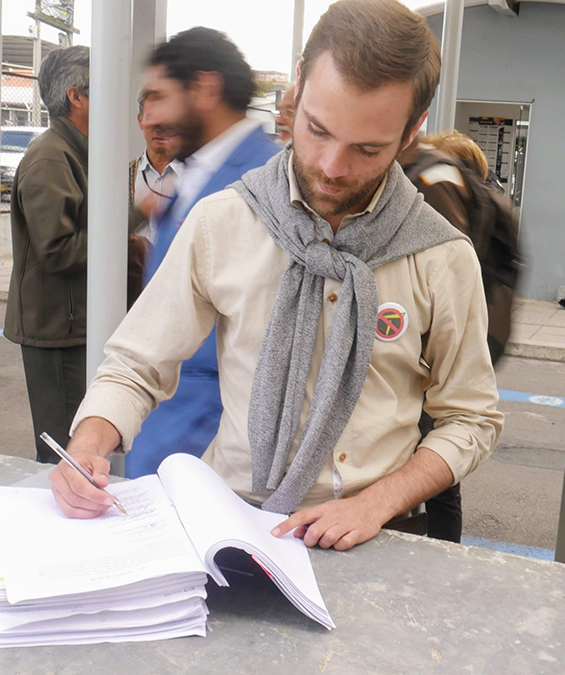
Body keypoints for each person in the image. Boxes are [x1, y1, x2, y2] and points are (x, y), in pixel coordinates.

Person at [50, 0, 503, 553]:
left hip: (379, 533)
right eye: (317, 130)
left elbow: (471, 418)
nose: (333, 167)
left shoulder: (441, 255)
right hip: (232, 520)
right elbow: (137, 364)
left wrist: (375, 503)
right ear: (298, 89)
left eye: (367, 149)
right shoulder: (223, 220)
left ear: (412, 131)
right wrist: (89, 443)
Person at [125, 27, 281, 478]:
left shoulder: (261, 182)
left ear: (205, 89)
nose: (150, 115)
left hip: (205, 444)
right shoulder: (201, 172)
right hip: (172, 431)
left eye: (158, 96)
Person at [399, 129, 522, 542]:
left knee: (437, 469)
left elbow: (447, 270)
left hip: (431, 348)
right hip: (441, 344)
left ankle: (442, 555)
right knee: (435, 463)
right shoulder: (465, 191)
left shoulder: (437, 185)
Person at [3, 46, 91, 464]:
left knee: (80, 447)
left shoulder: (79, 149)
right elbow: (56, 251)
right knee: (64, 452)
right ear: (77, 96)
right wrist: (133, 216)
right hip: (57, 329)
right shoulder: (50, 157)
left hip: (71, 324)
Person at [127, 91, 183, 308]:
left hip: (177, 297)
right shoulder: (122, 177)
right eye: (152, 117)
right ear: (140, 121)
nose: (160, 126)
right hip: (132, 299)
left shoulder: (196, 180)